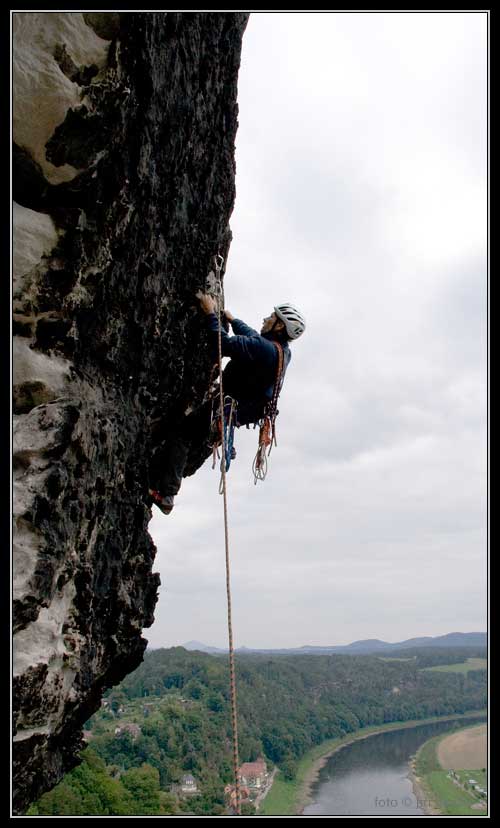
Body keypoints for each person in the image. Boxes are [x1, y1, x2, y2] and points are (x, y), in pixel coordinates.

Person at [148, 293, 306, 514]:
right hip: (238, 411)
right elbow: (252, 337)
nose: (266, 319)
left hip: (226, 407)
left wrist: (210, 312)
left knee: (183, 432)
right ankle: (169, 475)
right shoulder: (282, 352)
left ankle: (167, 494)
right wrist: (233, 320)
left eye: (272, 317)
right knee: (196, 437)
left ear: (279, 326)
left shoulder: (265, 349)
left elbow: (222, 344)